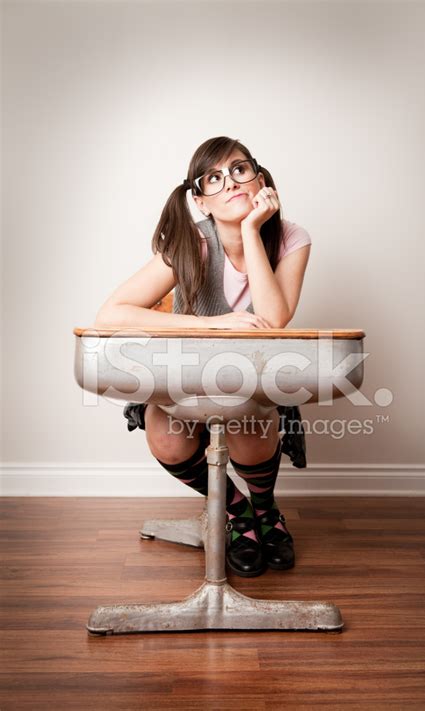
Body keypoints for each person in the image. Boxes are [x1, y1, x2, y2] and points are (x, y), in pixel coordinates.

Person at [94, 136, 312, 578]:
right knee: (169, 439)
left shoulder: (291, 238)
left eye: (239, 170)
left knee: (249, 423)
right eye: (214, 178)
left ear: (260, 180)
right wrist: (214, 324)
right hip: (185, 374)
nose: (230, 182)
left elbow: (273, 319)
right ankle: (237, 513)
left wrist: (251, 230)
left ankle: (266, 511)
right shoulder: (192, 242)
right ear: (201, 202)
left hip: (250, 379)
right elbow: (110, 313)